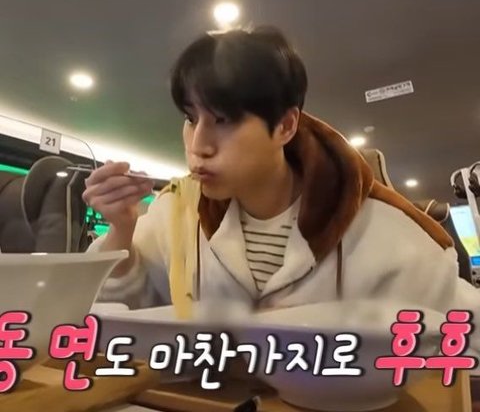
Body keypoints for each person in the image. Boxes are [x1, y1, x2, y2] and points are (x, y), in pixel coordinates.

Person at [84, 26, 480, 354]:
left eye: (223, 120)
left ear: (286, 126)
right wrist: (121, 230)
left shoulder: (391, 235)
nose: (198, 145)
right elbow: (112, 319)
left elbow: (467, 338)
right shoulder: (176, 213)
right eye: (191, 119)